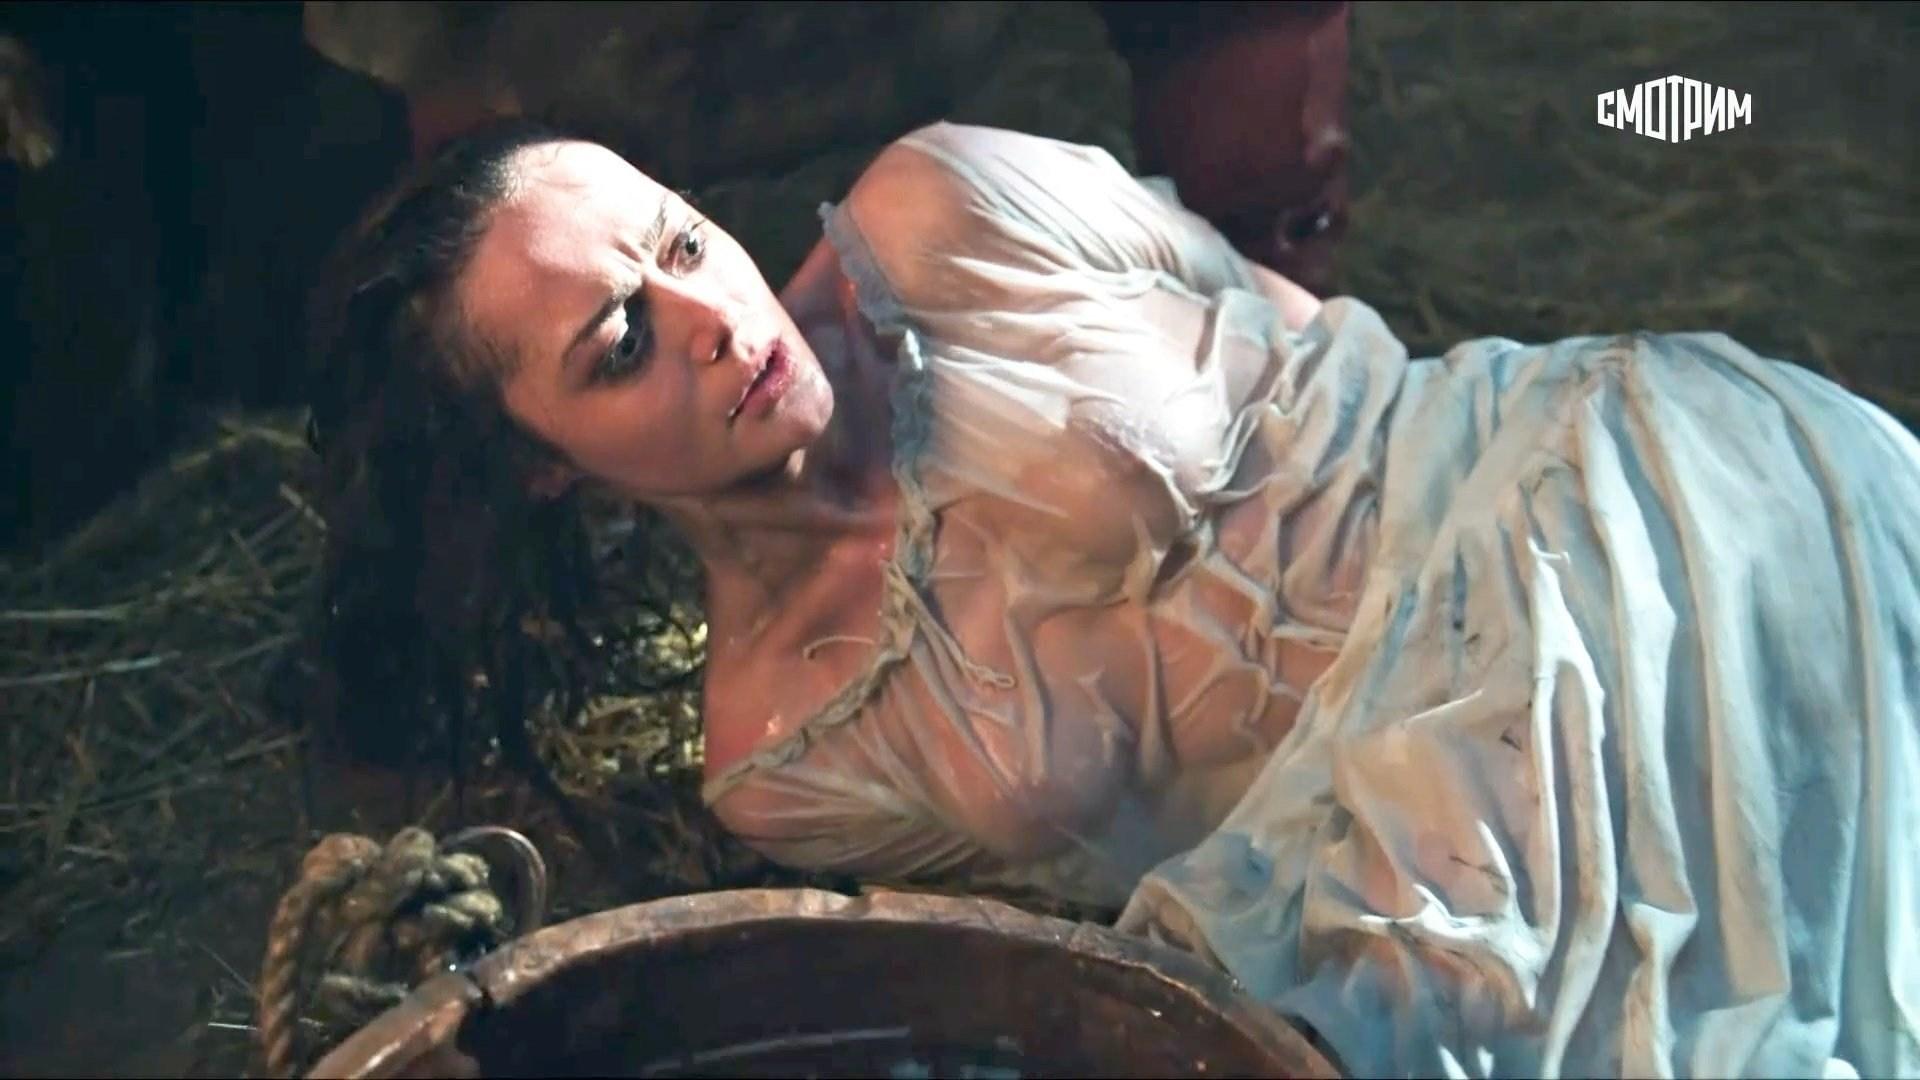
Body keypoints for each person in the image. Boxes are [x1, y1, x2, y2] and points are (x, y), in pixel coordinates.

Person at [306, 118, 1920, 1078]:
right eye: (620, 346)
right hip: (1411, 876)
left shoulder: (942, 208)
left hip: (1580, 520)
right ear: (545, 471)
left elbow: (1334, 341)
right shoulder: (783, 759)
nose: (712, 318)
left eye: (679, 242)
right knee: (1424, 994)